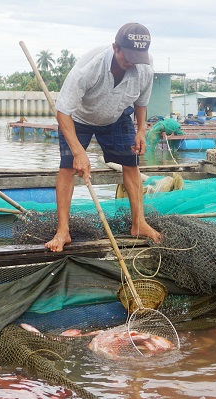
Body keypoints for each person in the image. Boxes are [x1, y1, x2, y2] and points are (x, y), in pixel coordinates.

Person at [45, 23, 163, 252]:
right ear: (115, 47)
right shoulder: (89, 68)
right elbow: (63, 111)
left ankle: (138, 223)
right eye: (127, 56)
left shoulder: (145, 68)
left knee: (131, 164)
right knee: (67, 168)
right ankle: (63, 231)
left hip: (117, 115)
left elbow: (141, 102)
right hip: (78, 118)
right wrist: (79, 152)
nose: (131, 62)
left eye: (136, 58)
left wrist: (141, 130)